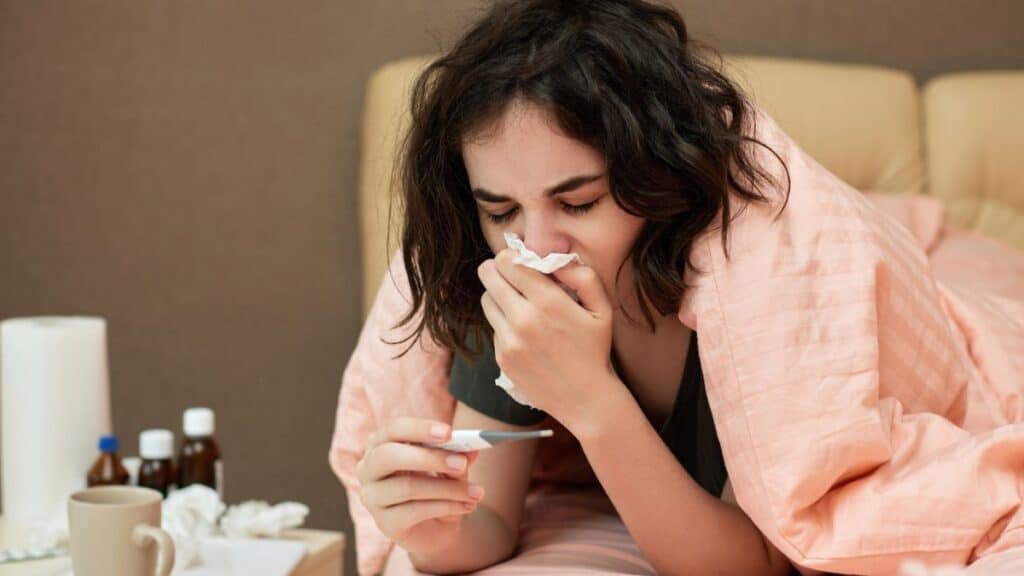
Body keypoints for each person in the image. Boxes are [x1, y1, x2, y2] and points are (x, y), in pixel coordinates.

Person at [335, 1, 1024, 575]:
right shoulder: (515, 280)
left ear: (651, 179)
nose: (536, 245)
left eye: (578, 203)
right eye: (500, 210)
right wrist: (426, 524)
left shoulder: (750, 281)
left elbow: (760, 559)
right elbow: (487, 521)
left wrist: (594, 402)